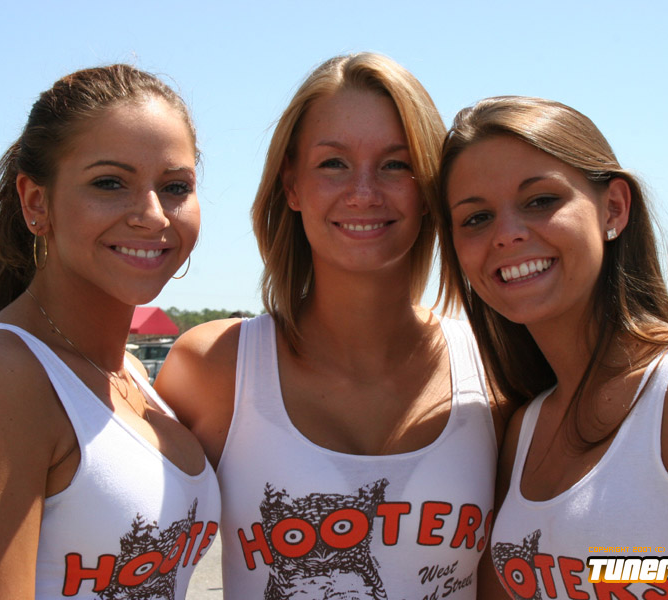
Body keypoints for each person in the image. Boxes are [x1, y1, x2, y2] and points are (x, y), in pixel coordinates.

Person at [435, 95, 668, 600]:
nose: (506, 234)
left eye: (540, 200)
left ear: (613, 208)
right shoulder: (522, 429)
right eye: (476, 218)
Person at [155, 53, 502, 599]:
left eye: (396, 164)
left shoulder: (493, 372)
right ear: (292, 185)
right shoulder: (212, 368)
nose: (363, 191)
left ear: (429, 191)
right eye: (334, 163)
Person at [0, 65, 221, 599]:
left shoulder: (129, 374)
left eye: (175, 187)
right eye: (109, 183)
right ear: (37, 202)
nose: (152, 215)